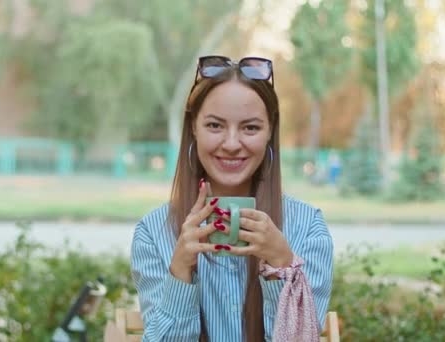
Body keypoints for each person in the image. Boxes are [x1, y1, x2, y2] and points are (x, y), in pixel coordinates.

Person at [130, 56, 333, 341]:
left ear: (270, 131)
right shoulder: (153, 234)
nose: (231, 144)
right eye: (215, 126)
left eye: (250, 128)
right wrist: (180, 272)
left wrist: (281, 265)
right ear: (193, 128)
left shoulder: (307, 228)